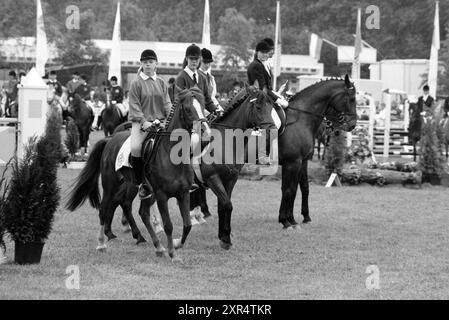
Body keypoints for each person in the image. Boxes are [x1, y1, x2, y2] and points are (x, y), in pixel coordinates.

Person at [129, 49, 172, 199]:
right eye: (145, 62)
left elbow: (167, 103)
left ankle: (184, 179)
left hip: (160, 122)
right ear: (141, 64)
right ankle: (141, 183)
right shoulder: (136, 83)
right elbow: (134, 105)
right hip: (141, 122)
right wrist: (144, 122)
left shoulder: (161, 83)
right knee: (135, 147)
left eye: (151, 62)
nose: (148, 65)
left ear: (156, 64)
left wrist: (168, 120)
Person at [247, 40, 288, 164]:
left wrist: (278, 95)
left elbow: (268, 88)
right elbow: (263, 88)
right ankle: (261, 155)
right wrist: (278, 99)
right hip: (258, 100)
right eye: (262, 52)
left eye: (266, 52)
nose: (265, 55)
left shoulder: (263, 64)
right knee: (273, 123)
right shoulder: (255, 65)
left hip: (264, 97)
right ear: (257, 52)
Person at [175, 43, 223, 114]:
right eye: (191, 58)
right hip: (186, 119)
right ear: (186, 58)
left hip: (201, 118)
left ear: (200, 59)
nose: (194, 61)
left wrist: (216, 111)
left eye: (196, 58)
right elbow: (179, 103)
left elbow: (208, 101)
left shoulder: (203, 78)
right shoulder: (181, 77)